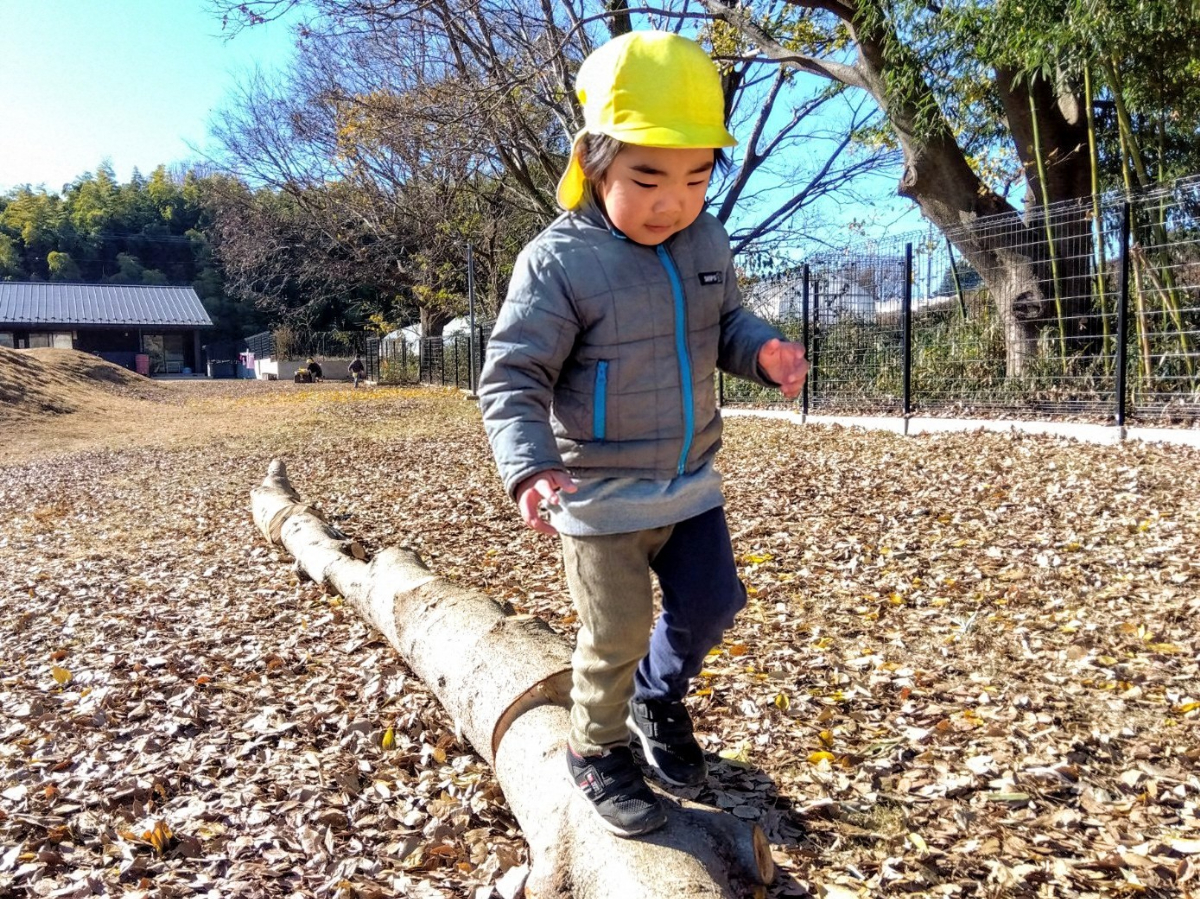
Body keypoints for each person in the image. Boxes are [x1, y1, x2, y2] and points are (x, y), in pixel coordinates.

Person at [477, 31, 808, 839]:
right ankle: (594, 747)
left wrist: (760, 349)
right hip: (598, 494)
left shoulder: (703, 241)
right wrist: (530, 470)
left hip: (690, 482)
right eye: (649, 178)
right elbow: (512, 376)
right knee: (615, 630)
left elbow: (723, 320)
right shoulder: (558, 262)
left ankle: (659, 699)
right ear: (595, 163)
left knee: (713, 601)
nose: (676, 200)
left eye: (697, 177)